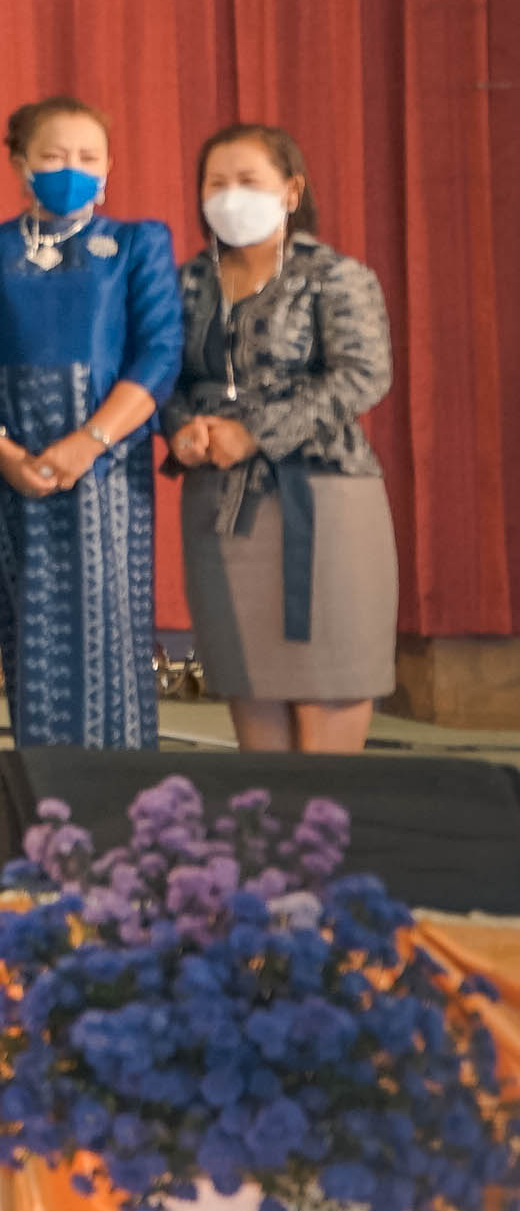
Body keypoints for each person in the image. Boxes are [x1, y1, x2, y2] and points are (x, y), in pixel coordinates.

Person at [166, 124, 396, 754]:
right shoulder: (187, 281)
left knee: (329, 676)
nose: (231, 194)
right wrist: (182, 426)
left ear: (291, 191)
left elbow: (364, 374)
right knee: (250, 678)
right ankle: (266, 815)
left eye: (249, 180)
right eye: (217, 183)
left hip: (322, 496)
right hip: (219, 501)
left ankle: (328, 815)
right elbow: (161, 374)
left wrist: (254, 436)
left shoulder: (334, 275)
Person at [0, 97, 182, 750]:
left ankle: (119, 789)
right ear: (21, 164)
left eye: (89, 157)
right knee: (29, 624)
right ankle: (43, 788)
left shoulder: (137, 243)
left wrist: (89, 442)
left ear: (109, 167)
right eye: (53, 156)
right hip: (10, 457)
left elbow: (160, 352)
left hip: (107, 458)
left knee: (106, 625)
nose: (72, 168)